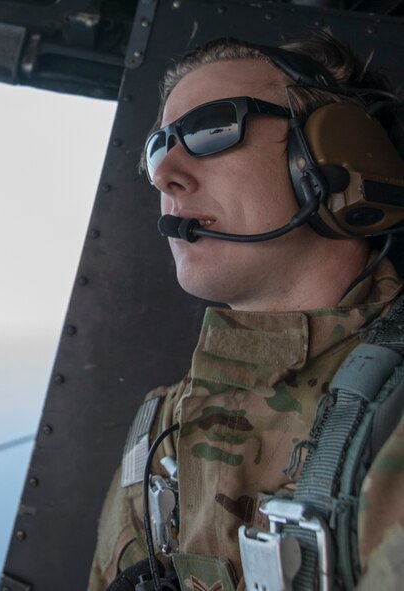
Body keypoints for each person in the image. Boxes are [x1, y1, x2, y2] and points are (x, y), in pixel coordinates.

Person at [89, 32, 404, 591]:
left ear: (335, 153)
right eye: (158, 148)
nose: (164, 175)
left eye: (212, 130)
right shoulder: (159, 429)